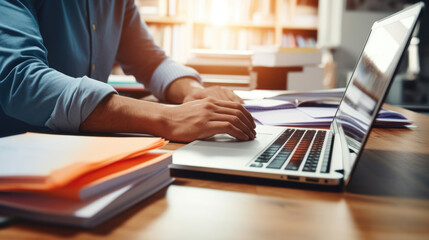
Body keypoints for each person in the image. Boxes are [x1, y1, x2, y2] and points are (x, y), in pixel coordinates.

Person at [0, 0, 256, 142]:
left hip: (84, 148)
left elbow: (149, 60)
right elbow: (20, 80)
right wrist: (166, 117)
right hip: (18, 158)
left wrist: (194, 91)